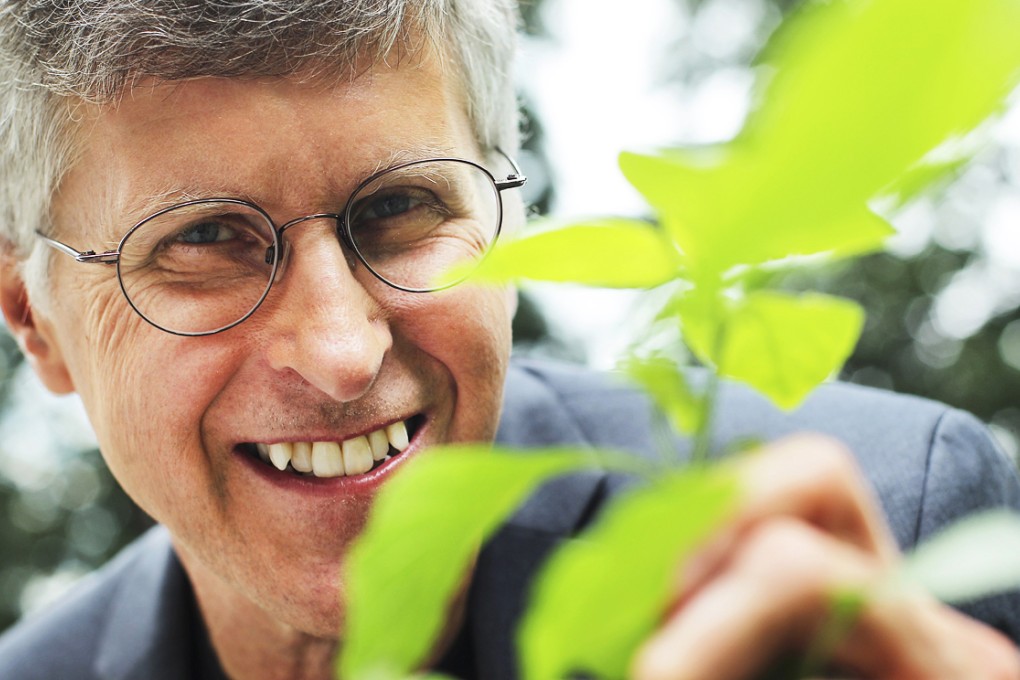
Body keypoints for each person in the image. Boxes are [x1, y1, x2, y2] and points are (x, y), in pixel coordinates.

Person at [0, 1, 1017, 678]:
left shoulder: (888, 525)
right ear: (35, 320)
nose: (343, 350)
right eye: (206, 239)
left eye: (400, 205)